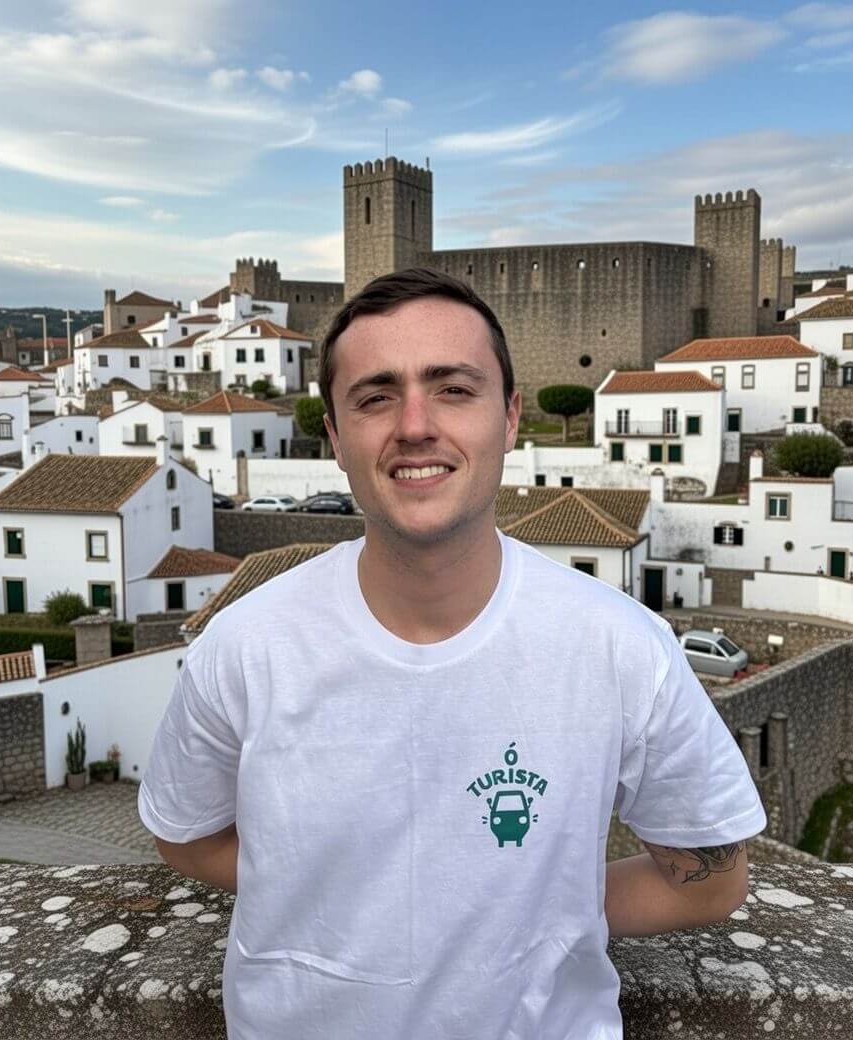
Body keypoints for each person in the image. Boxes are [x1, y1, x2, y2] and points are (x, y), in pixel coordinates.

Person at [138, 268, 766, 1040]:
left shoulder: (622, 648)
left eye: (453, 389)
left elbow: (709, 881)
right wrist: (337, 891)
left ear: (508, 419)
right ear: (333, 438)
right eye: (375, 396)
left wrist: (535, 900)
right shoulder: (241, 649)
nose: (414, 425)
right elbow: (185, 834)